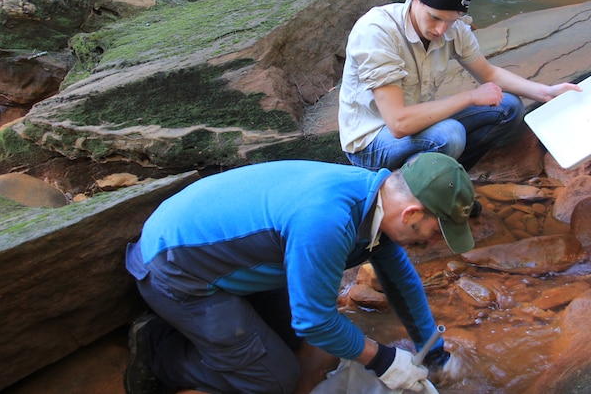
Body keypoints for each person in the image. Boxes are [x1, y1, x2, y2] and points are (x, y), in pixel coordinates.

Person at [123, 152, 474, 394]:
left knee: (293, 343)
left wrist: (434, 356)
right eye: (435, 231)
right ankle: (158, 349)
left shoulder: (373, 199)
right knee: (274, 381)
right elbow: (316, 322)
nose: (431, 242)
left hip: (222, 255)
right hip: (175, 269)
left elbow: (402, 281)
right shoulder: (328, 220)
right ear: (411, 215)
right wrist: (383, 360)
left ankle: (206, 333)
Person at [339, 0, 581, 173]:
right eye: (434, 17)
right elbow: (399, 123)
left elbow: (489, 73)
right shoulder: (378, 31)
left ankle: (452, 177)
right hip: (372, 142)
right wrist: (470, 97)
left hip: (418, 126)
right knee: (449, 135)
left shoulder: (454, 28)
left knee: (509, 107)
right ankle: (414, 192)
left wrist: (545, 92)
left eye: (451, 20)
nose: (441, 29)